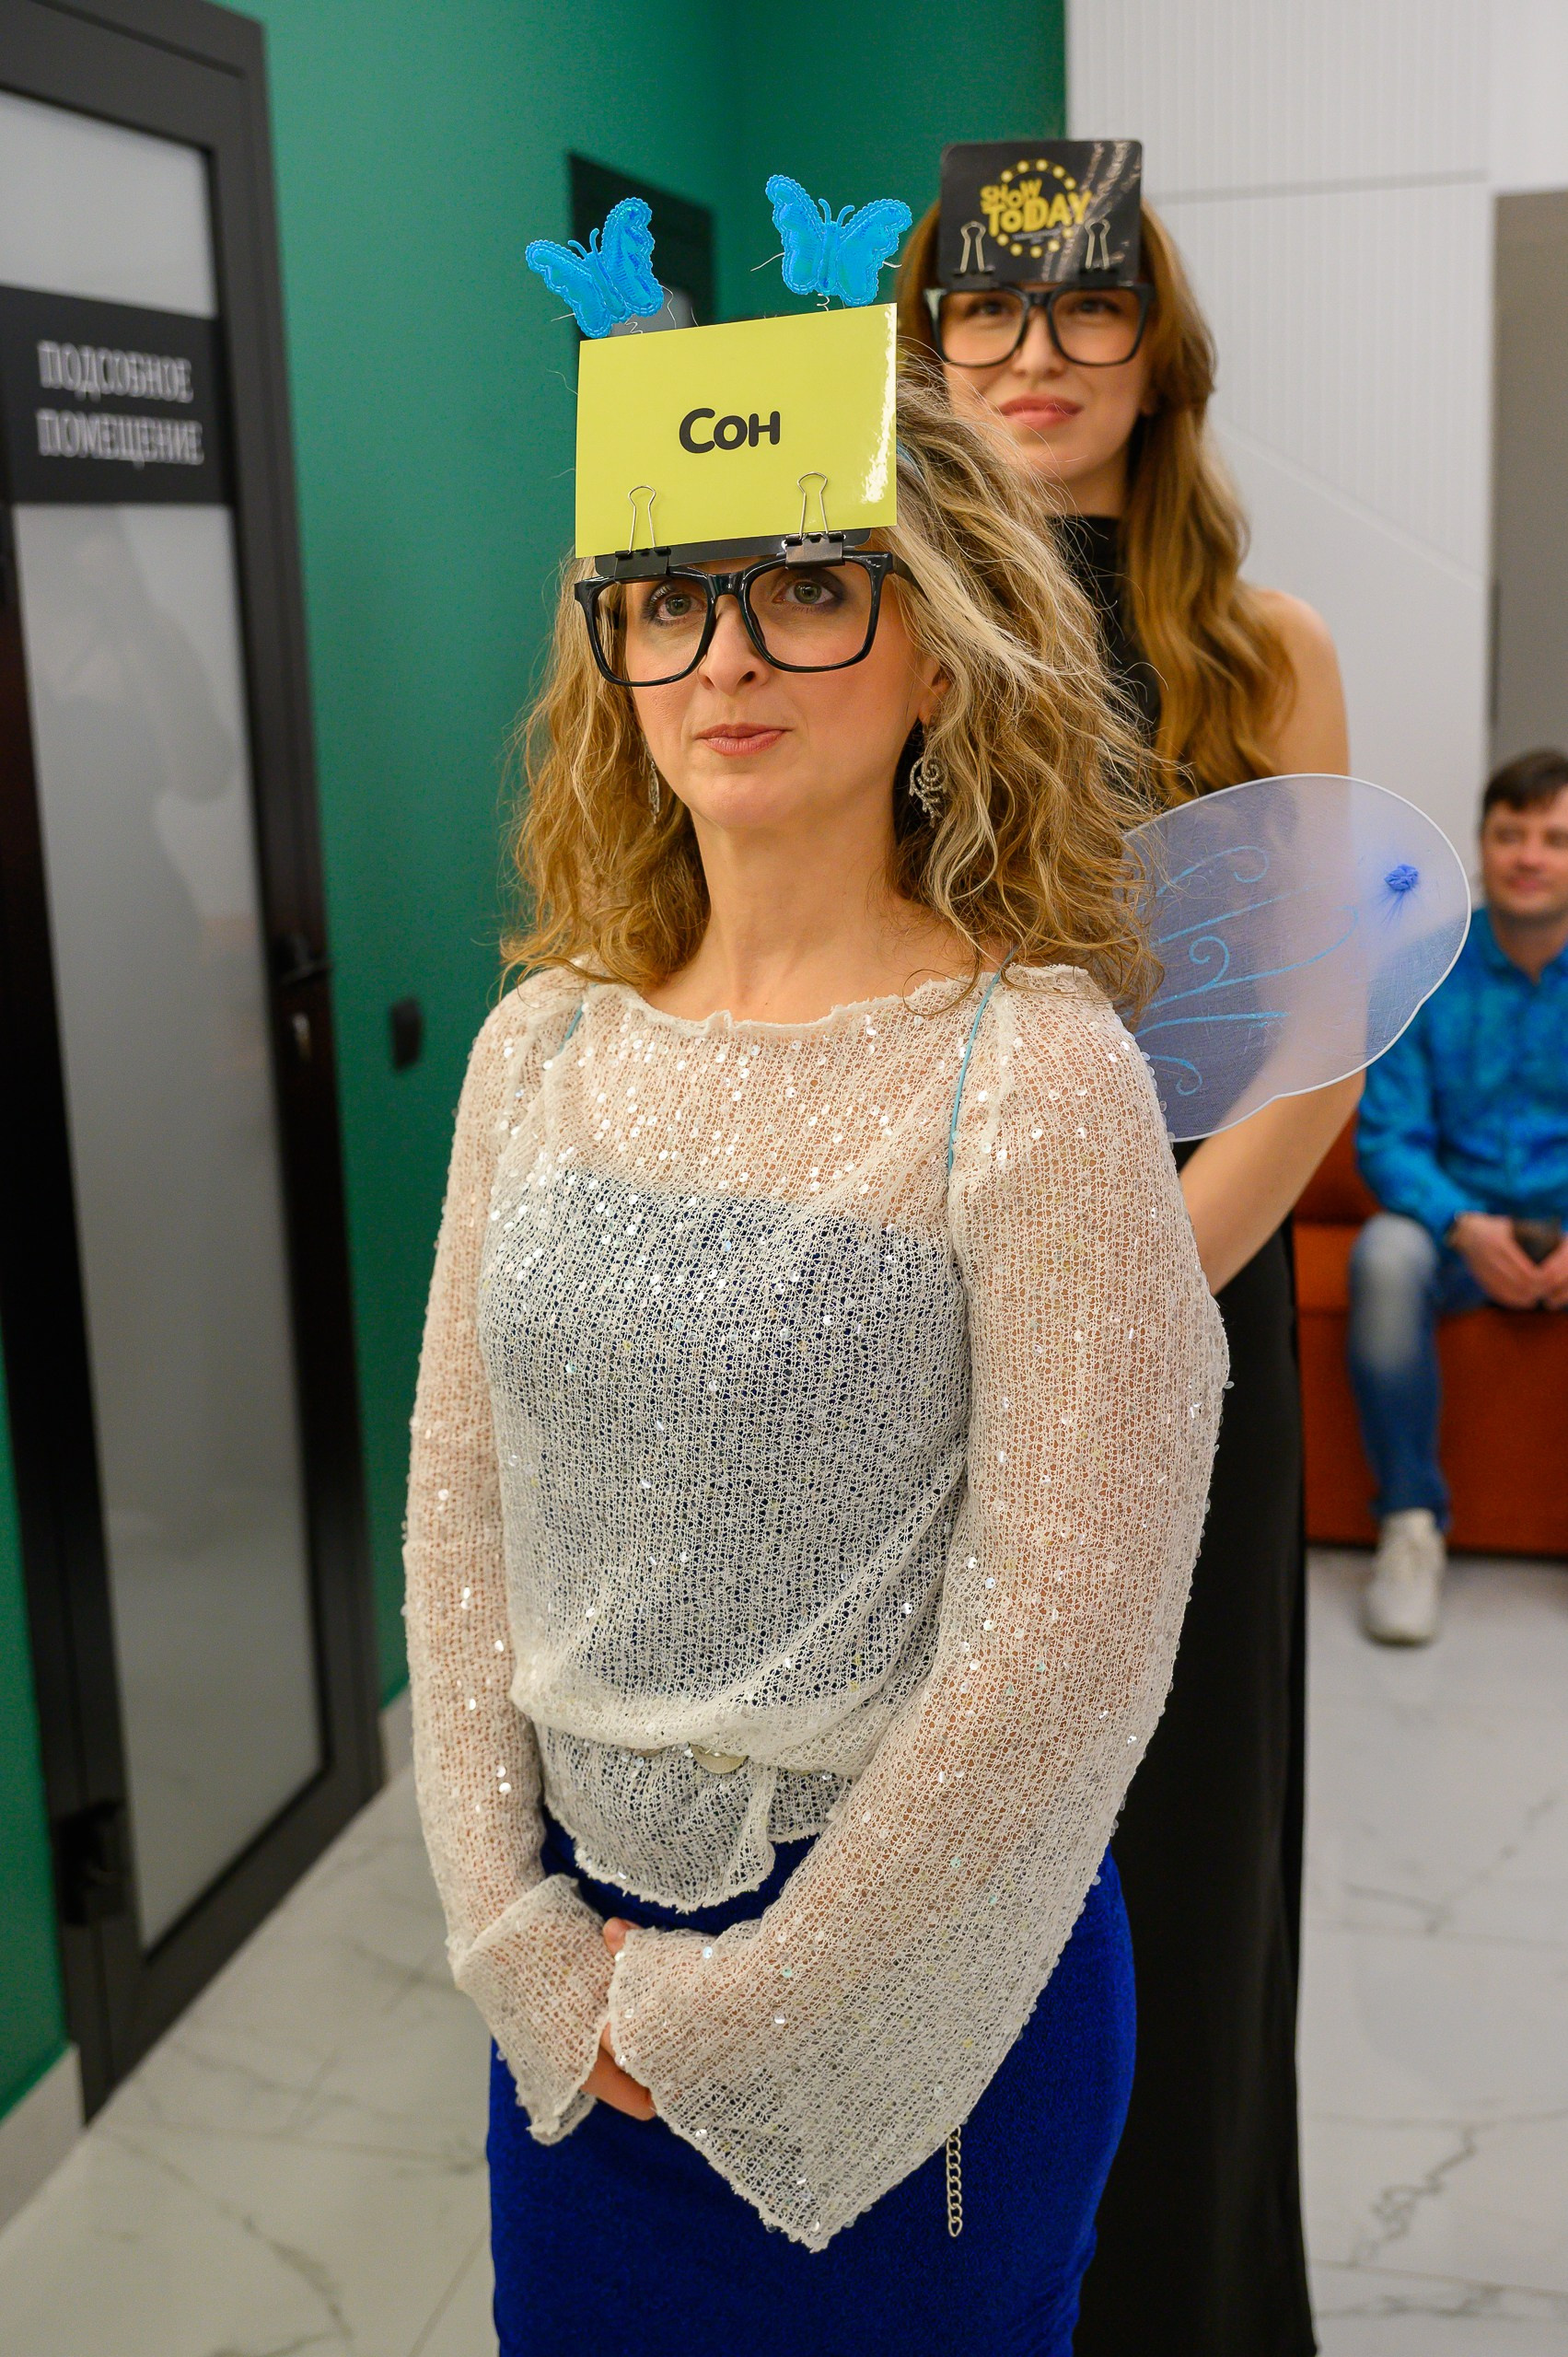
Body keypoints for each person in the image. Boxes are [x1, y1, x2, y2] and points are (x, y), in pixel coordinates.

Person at [403, 230, 1228, 2357]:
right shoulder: (539, 1048)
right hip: (572, 2001)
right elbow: (457, 1519)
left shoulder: (1030, 1073)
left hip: (919, 2002)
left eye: (803, 582)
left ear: (934, 646)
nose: (724, 655)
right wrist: (511, 1932)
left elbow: (1059, 1654)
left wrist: (736, 2000)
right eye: (664, 597)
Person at [898, 137, 1354, 2357]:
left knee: (1170, 1849)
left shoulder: (1257, 653)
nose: (1034, 353)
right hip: (906, 1309)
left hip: (1182, 1290)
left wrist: (1126, 1293)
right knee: (919, 1846)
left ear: (1154, 346)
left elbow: (1312, 1038)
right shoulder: (863, 619)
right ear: (924, 345)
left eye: (1083, 305)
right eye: (982, 309)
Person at [1351, 748, 1568, 1643]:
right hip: (1453, 1230)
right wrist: (1463, 1225)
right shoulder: (1422, 967)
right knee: (1382, 1255)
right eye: (1510, 834)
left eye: (1554, 838)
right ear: (1482, 844)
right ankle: (1408, 1527)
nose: (1529, 856)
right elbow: (1385, 1137)